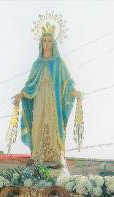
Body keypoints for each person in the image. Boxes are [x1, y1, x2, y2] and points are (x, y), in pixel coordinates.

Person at [13, 14, 82, 168]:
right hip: (39, 99)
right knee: (38, 123)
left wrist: (74, 92)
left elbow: (67, 82)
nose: (47, 43)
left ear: (54, 43)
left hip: (53, 100)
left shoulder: (59, 63)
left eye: (50, 40)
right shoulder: (36, 64)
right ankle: (38, 155)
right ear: (41, 43)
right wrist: (21, 94)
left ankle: (54, 155)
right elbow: (30, 84)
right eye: (44, 40)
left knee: (52, 123)